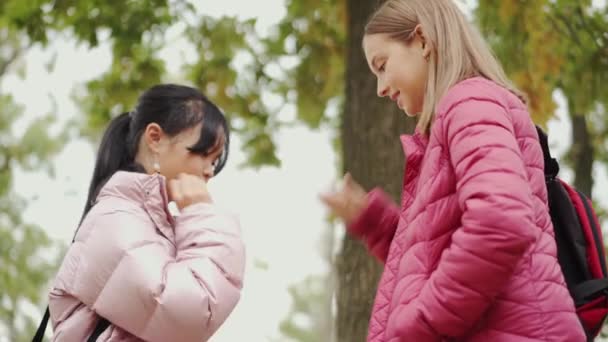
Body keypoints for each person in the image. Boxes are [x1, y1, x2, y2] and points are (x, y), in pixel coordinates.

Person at [321, 1, 586, 341]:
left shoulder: (469, 101)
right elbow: (435, 260)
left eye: (383, 66)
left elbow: (500, 223)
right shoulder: (452, 124)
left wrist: (420, 328)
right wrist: (378, 225)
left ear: (423, 41)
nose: (380, 87)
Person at [48, 84, 245, 341]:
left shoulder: (147, 223)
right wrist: (201, 215)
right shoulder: (116, 218)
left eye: (215, 161)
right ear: (155, 138)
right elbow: (191, 313)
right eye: (203, 153)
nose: (209, 170)